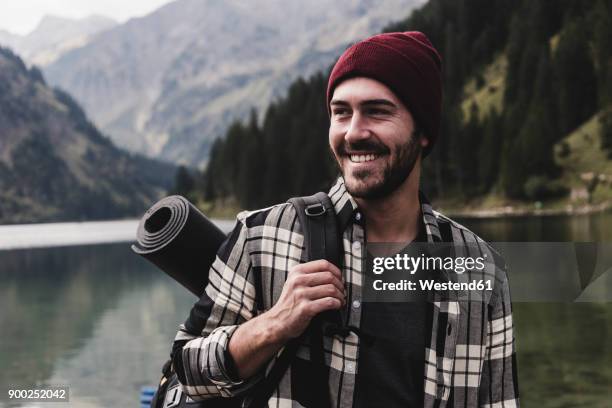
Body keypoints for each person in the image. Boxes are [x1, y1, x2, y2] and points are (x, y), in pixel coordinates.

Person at [171, 31, 519, 407]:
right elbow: (187, 372)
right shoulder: (262, 237)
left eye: (377, 111)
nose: (354, 132)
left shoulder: (480, 267)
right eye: (341, 113)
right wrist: (273, 325)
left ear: (422, 132)